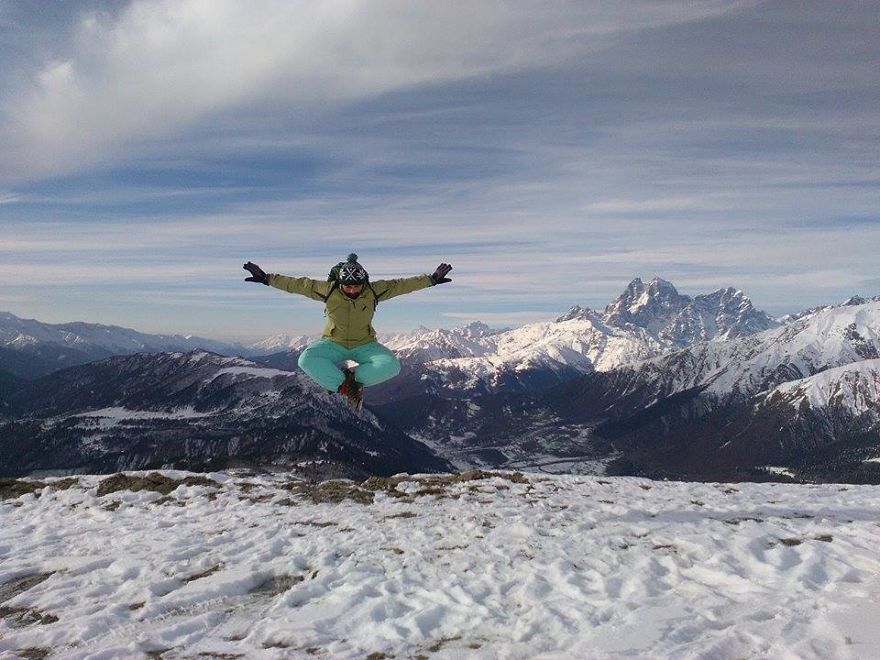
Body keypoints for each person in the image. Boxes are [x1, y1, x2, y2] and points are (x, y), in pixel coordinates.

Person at [243, 253, 452, 409]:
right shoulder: (328, 290)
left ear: (364, 282)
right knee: (305, 360)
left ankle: (348, 380)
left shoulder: (373, 291)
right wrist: (267, 278)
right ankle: (347, 386)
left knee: (392, 366)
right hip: (333, 343)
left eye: (356, 286)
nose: (352, 290)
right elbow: (298, 284)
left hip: (365, 344)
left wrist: (431, 280)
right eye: (348, 286)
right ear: (340, 283)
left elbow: (401, 285)